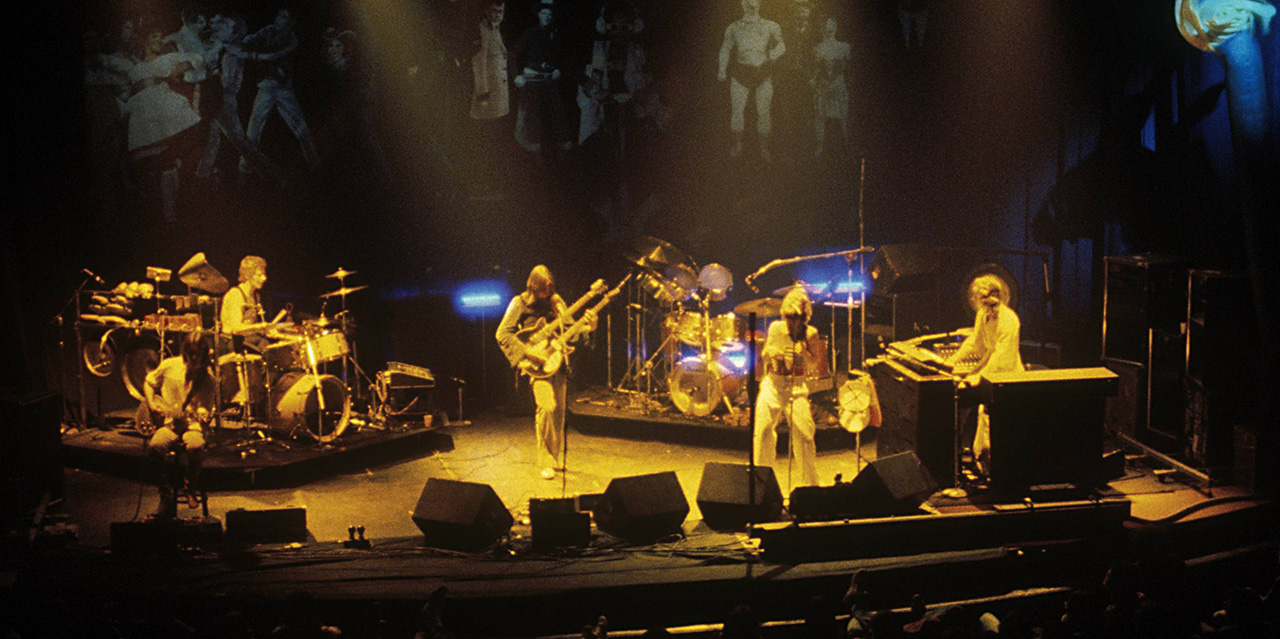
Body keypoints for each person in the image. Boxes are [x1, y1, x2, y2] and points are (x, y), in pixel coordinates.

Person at [495, 266, 597, 480]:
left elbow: (571, 332)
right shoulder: (519, 302)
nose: (547, 293)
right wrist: (527, 352)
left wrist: (589, 327)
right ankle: (546, 461)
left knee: (558, 412)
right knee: (546, 406)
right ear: (533, 287)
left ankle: (553, 457)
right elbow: (502, 333)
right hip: (534, 365)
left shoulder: (556, 302)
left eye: (550, 289)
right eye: (543, 290)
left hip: (556, 361)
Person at [945, 275, 1023, 473]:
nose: (978, 303)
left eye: (982, 299)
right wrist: (951, 361)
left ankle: (992, 467)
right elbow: (975, 342)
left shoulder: (1009, 320)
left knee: (993, 421)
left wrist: (978, 377)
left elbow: (1001, 357)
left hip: (1007, 376)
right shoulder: (982, 314)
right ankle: (979, 464)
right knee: (981, 416)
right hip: (989, 371)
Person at [753, 286, 823, 488]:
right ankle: (762, 484)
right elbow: (765, 355)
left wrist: (804, 353)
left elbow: (814, 364)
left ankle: (811, 486)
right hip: (773, 384)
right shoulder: (776, 328)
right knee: (762, 431)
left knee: (804, 434)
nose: (792, 323)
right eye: (789, 318)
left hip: (796, 387)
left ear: (804, 317)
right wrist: (770, 353)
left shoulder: (810, 333)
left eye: (796, 318)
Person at [144, 332, 215, 516]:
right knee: (155, 447)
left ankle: (190, 487)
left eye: (197, 353)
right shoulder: (170, 366)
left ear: (204, 353)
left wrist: (204, 416)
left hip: (192, 425)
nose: (193, 357)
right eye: (190, 353)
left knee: (196, 446)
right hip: (169, 424)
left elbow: (205, 408)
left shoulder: (208, 379)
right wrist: (152, 404)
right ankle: (165, 495)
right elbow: (149, 382)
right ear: (184, 351)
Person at [717, 0, 785, 160]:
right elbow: (725, 49)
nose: (751, 5)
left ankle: (763, 148)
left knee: (764, 112)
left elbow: (782, 45)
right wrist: (721, 69)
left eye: (754, 2)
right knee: (737, 111)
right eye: (747, 3)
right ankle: (737, 145)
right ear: (742, 4)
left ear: (759, 3)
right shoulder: (733, 27)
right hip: (740, 73)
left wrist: (772, 55)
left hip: (762, 73)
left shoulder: (770, 25)